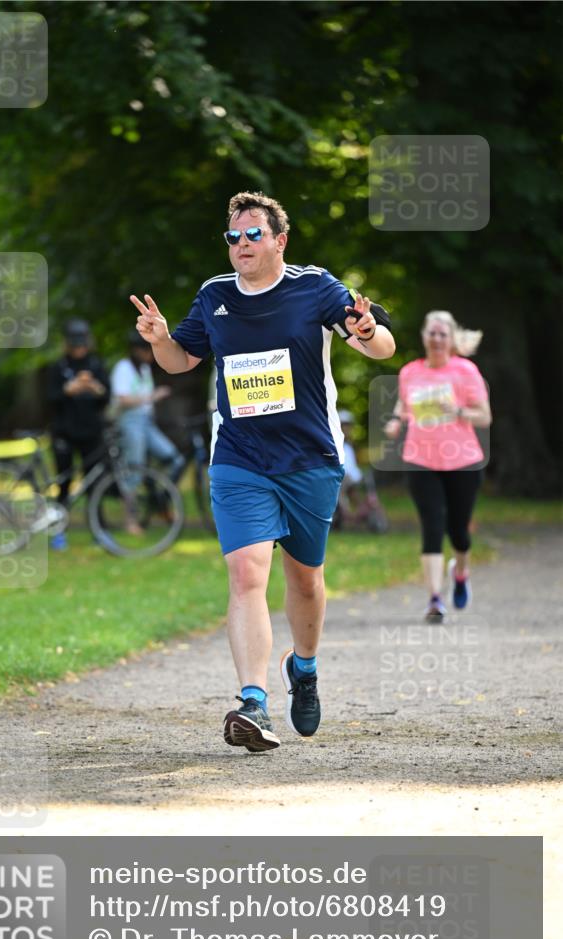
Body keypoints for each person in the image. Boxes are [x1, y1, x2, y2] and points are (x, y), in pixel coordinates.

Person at [130, 191, 395, 753]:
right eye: (233, 236)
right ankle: (253, 701)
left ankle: (304, 667)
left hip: (308, 458)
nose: (242, 244)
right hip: (239, 458)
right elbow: (182, 359)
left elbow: (382, 347)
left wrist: (368, 331)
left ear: (280, 240)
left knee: (304, 579)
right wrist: (160, 342)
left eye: (253, 234)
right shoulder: (215, 295)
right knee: (248, 574)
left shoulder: (315, 286)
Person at [384, 311, 491, 621]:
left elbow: (484, 416)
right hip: (420, 458)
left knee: (458, 531)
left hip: (463, 460)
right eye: (432, 332)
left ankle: (460, 572)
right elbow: (403, 405)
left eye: (443, 334)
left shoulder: (465, 371)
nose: (437, 338)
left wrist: (457, 410)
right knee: (431, 527)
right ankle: (434, 599)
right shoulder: (410, 372)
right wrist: (395, 421)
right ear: (424, 336)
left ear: (451, 338)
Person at [110, 330, 185, 534]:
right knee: (134, 470)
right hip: (130, 422)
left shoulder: (143, 369)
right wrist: (151, 397)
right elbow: (122, 399)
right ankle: (130, 520)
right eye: (146, 350)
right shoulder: (123, 368)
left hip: (146, 422)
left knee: (174, 458)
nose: (150, 355)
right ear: (136, 350)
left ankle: (160, 499)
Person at [46, 318, 110, 550]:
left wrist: (94, 388)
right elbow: (51, 398)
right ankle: (58, 533)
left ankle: (98, 531)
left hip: (91, 431)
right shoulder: (59, 367)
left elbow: (106, 397)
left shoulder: (95, 365)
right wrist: (68, 389)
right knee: (64, 484)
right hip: (65, 432)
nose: (79, 348)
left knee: (95, 483)